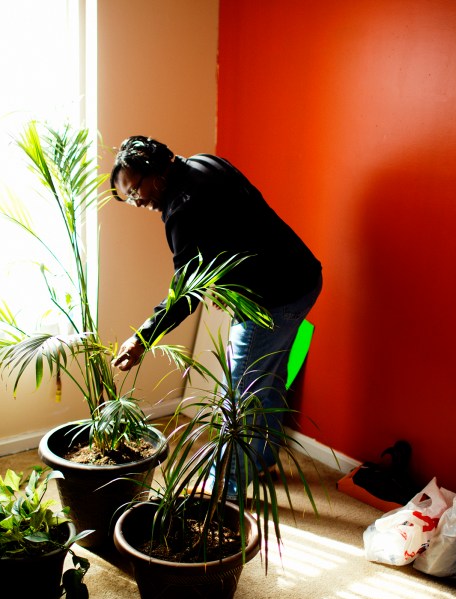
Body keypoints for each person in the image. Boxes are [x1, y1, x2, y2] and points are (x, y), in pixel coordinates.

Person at [109, 135, 322, 496]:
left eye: (136, 189)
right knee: (265, 381)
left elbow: (185, 293)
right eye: (129, 196)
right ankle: (263, 458)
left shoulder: (180, 211)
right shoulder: (203, 162)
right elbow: (239, 229)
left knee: (237, 398)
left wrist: (142, 337)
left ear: (155, 173)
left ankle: (226, 488)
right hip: (302, 277)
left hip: (270, 300)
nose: (137, 200)